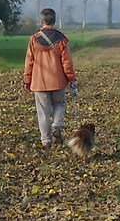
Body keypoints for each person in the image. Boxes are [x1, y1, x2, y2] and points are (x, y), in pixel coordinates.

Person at [21, 8, 79, 149]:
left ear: (41, 21)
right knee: (59, 105)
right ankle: (57, 126)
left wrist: (27, 80)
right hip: (58, 80)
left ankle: (46, 141)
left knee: (43, 112)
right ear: (54, 21)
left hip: (39, 82)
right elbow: (67, 62)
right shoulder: (62, 39)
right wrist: (71, 79)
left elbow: (29, 62)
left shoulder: (34, 39)